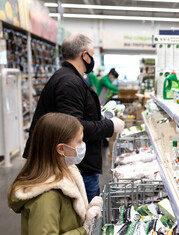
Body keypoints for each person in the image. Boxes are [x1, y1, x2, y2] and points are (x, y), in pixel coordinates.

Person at [23, 34, 124, 202]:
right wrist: (110, 126)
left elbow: (71, 115)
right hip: (73, 167)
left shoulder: (68, 78)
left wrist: (94, 112)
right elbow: (73, 127)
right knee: (85, 220)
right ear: (84, 55)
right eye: (92, 54)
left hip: (73, 165)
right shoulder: (69, 82)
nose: (93, 59)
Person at [8, 113, 103, 235]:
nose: (83, 145)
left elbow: (66, 219)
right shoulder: (46, 195)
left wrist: (87, 211)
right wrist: (84, 230)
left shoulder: (67, 172)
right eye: (79, 141)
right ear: (61, 149)